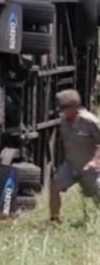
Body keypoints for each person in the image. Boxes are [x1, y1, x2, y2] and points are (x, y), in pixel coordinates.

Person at [50, 89, 100, 222]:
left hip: (90, 167)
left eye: (63, 108)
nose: (61, 111)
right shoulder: (64, 121)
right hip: (71, 164)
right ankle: (54, 219)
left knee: (97, 194)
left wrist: (95, 161)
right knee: (55, 186)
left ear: (74, 107)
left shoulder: (90, 121)